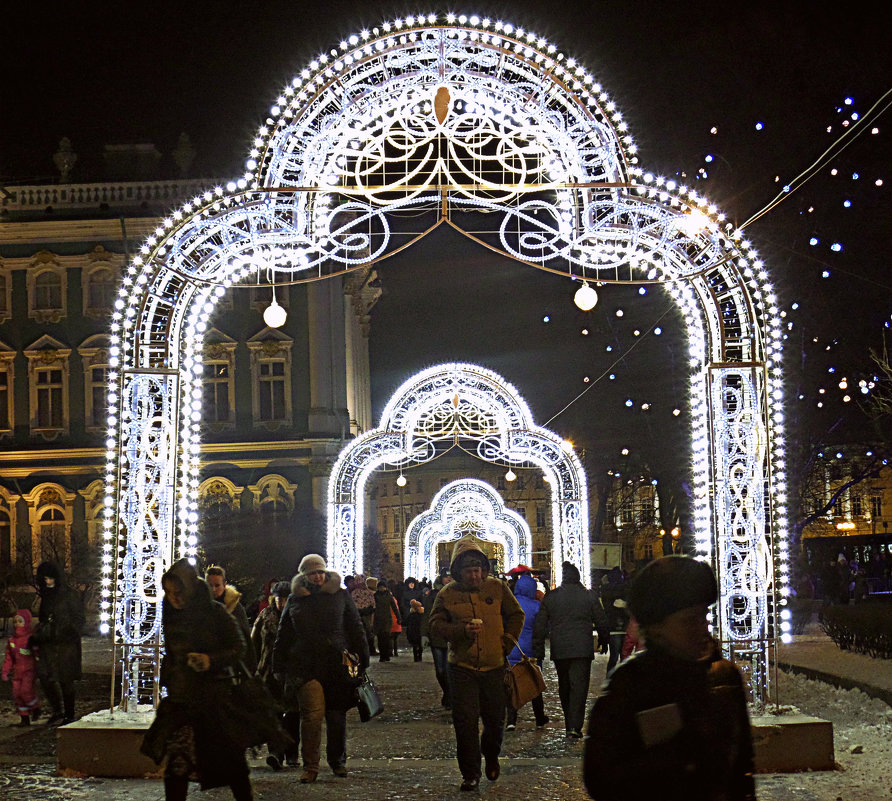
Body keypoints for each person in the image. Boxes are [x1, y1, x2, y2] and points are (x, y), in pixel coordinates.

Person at [583, 555, 756, 801]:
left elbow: (742, 769)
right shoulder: (630, 685)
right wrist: (674, 756)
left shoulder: (724, 676)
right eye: (689, 620)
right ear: (656, 627)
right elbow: (602, 779)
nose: (702, 628)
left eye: (703, 616)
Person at [150, 558, 254, 801]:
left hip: (215, 701)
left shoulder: (216, 613)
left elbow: (240, 647)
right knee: (177, 765)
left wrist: (210, 659)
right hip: (183, 701)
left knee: (231, 764)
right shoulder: (171, 613)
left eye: (178, 592)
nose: (174, 598)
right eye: (168, 593)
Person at [428, 535, 524, 792]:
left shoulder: (497, 588)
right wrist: (460, 631)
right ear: (459, 571)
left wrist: (506, 642)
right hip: (462, 667)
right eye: (469, 571)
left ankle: (490, 754)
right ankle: (470, 773)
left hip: (494, 665)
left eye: (478, 570)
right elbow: (435, 626)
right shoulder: (447, 594)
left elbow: (516, 615)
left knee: (495, 720)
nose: (474, 576)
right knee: (465, 722)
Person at [272, 554, 369, 783]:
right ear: (304, 576)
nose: (317, 577)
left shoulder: (340, 595)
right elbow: (284, 633)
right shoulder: (295, 600)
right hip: (306, 665)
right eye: (312, 573)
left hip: (336, 664)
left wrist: (362, 658)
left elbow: (355, 627)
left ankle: (337, 761)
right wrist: (278, 664)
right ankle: (311, 766)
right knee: (312, 716)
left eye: (320, 572)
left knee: (336, 716)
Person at [532, 561, 608, 738]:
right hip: (582, 648)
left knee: (564, 686)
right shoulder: (589, 596)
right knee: (579, 687)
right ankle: (574, 726)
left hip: (560, 648)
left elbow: (540, 625)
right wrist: (604, 640)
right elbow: (601, 619)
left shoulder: (552, 597)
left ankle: (569, 723)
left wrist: (538, 648)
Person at [250, 581, 296, 771]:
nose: (282, 603)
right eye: (279, 599)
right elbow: (254, 641)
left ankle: (292, 752)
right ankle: (275, 753)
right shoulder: (265, 615)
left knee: (293, 714)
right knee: (274, 714)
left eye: (286, 599)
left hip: (291, 671)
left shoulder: (296, 615)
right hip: (268, 671)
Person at [33, 561, 85, 725]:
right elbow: (43, 617)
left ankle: (68, 713)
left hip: (65, 643)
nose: (47, 581)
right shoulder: (46, 595)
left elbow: (78, 618)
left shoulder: (68, 594)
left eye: (49, 578)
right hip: (50, 642)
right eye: (45, 578)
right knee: (46, 677)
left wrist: (69, 631)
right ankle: (58, 711)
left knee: (65, 679)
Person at [505, 572, 549, 731]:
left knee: (512, 684)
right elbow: (542, 629)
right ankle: (539, 718)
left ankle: (511, 719)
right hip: (530, 650)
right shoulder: (537, 606)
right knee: (534, 682)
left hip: (512, 649)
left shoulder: (510, 604)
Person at [205, 565, 255, 670]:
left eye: (217, 585)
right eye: (210, 585)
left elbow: (245, 643)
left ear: (224, 585)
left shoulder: (235, 608)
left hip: (230, 669)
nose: (213, 589)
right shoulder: (200, 607)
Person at [2, 609, 41, 725]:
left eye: (20, 621)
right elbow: (9, 658)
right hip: (17, 671)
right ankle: (24, 718)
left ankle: (35, 708)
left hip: (29, 671)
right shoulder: (12, 640)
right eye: (15, 622)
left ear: (26, 622)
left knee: (26, 691)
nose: (17, 624)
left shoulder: (30, 639)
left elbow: (37, 654)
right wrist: (5, 671)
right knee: (17, 694)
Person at [422, 572, 453, 708]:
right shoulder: (433, 595)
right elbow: (427, 614)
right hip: (437, 637)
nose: (448, 579)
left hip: (452, 637)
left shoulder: (456, 592)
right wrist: (424, 633)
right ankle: (448, 692)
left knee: (448, 670)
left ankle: (450, 697)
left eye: (451, 576)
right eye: (446, 577)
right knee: (440, 671)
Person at [599, 567, 630, 676]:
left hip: (613, 627)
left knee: (614, 657)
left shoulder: (606, 590)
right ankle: (623, 679)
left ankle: (610, 679)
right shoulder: (626, 588)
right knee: (624, 656)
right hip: (624, 626)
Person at [350, 573, 378, 656]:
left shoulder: (354, 593)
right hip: (366, 614)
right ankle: (370, 649)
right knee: (368, 633)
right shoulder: (369, 592)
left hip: (360, 614)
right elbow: (373, 604)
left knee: (365, 633)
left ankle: (364, 650)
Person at [373, 577, 400, 662]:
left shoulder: (389, 596)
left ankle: (386, 654)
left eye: (383, 587)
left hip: (387, 619)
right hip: (378, 620)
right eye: (380, 587)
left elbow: (394, 608)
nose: (381, 588)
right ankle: (382, 655)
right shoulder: (375, 596)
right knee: (380, 639)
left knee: (386, 638)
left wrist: (398, 617)